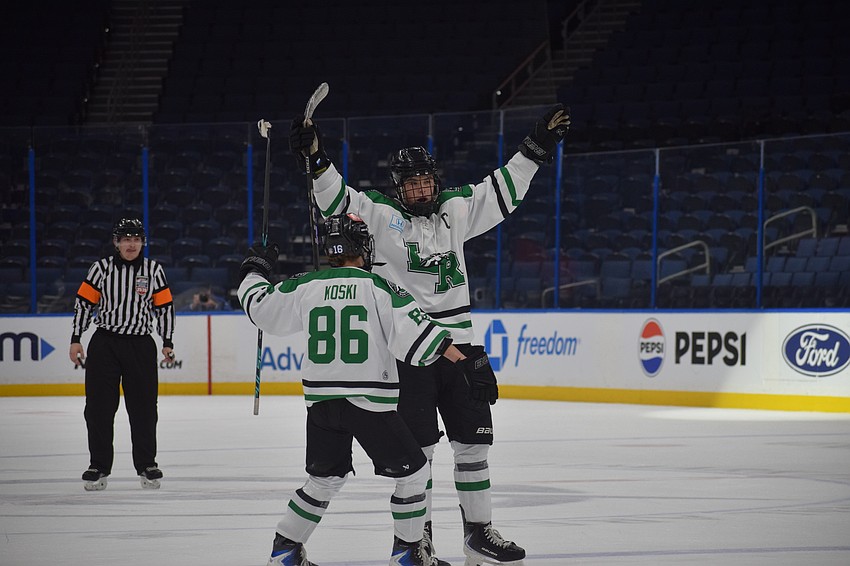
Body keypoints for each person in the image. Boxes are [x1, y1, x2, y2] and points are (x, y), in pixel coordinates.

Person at [290, 104, 570, 565]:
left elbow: (504, 188)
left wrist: (537, 146)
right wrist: (317, 158)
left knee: (474, 444)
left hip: (460, 347)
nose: (420, 189)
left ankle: (478, 533)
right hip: (410, 354)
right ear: (399, 187)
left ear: (434, 180)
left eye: (425, 180)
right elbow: (337, 198)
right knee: (419, 457)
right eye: (411, 183)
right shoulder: (379, 214)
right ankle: (416, 544)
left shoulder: (456, 209)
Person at [239, 213, 497, 566]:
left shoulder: (306, 285)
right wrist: (467, 362)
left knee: (323, 480)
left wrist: (255, 268)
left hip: (321, 405)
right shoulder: (380, 287)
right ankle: (408, 555)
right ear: (363, 246)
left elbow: (258, 307)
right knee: (416, 473)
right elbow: (424, 340)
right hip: (367, 403)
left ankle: (284, 550)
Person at [69, 217, 175, 491]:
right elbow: (83, 303)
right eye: (126, 239)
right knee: (98, 408)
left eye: (136, 239)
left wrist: (167, 341)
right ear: (117, 243)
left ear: (143, 242)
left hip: (140, 345)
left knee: (144, 409)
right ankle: (98, 465)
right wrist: (76, 338)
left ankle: (147, 464)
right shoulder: (100, 269)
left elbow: (164, 307)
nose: (131, 244)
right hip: (105, 343)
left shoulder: (153, 270)